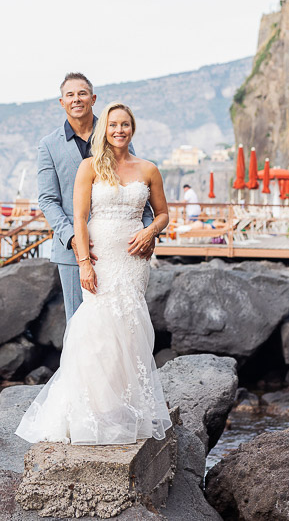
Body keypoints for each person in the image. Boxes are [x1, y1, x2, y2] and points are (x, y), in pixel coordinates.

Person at [16, 102, 172, 445]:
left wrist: (150, 233)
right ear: (105, 129)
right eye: (113, 125)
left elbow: (162, 214)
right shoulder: (89, 167)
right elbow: (79, 219)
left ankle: (123, 405)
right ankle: (94, 409)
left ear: (133, 129)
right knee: (95, 330)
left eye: (125, 125)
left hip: (132, 261)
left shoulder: (148, 169)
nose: (119, 130)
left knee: (129, 329)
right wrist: (84, 262)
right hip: (100, 259)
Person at [36, 73, 154, 322]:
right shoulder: (48, 145)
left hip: (120, 249)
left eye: (82, 93)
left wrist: (149, 231)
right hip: (72, 251)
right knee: (79, 325)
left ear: (93, 99)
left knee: (121, 321)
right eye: (70, 95)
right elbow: (47, 200)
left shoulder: (116, 132)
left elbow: (136, 186)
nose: (76, 99)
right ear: (62, 102)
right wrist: (72, 238)